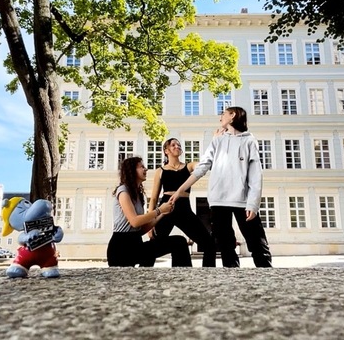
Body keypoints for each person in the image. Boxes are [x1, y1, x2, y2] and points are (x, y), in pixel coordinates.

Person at [170, 106, 272, 268]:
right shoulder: (217, 140)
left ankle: (268, 275)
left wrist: (253, 203)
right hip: (218, 201)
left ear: (233, 115)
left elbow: (255, 175)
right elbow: (202, 167)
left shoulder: (249, 141)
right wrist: (180, 190)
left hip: (243, 200)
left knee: (257, 242)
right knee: (225, 245)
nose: (220, 118)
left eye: (223, 114)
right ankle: (231, 277)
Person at [107, 156, 192, 267]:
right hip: (121, 249)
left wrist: (163, 213)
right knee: (173, 244)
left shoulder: (138, 195)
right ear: (131, 170)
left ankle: (182, 277)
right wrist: (159, 210)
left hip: (136, 244)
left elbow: (141, 229)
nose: (146, 169)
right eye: (141, 167)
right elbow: (135, 222)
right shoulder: (123, 191)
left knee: (179, 242)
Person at [148, 138, 216, 267]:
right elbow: (154, 199)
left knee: (209, 243)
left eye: (179, 145)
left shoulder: (189, 166)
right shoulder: (160, 171)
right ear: (166, 151)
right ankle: (143, 270)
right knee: (154, 243)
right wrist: (150, 223)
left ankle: (208, 273)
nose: (177, 146)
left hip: (184, 209)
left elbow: (201, 166)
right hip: (166, 209)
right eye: (173, 145)